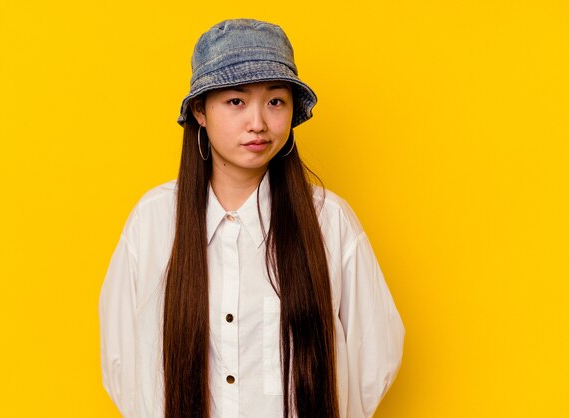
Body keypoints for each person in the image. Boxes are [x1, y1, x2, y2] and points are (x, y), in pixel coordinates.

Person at [99, 18, 404, 418]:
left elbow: (376, 353)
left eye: (275, 101)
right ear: (200, 112)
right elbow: (122, 365)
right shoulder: (154, 222)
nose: (258, 123)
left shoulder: (329, 222)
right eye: (236, 102)